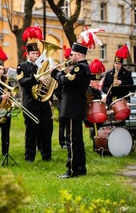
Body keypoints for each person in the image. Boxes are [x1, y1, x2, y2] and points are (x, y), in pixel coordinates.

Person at [51, 27, 103, 178]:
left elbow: (66, 81)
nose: (70, 56)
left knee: (72, 141)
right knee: (76, 140)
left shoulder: (81, 68)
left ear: (79, 54)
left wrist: (55, 72)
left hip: (73, 109)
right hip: (73, 108)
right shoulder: (80, 67)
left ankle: (72, 170)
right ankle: (80, 168)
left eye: (73, 54)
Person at [17, 26, 53, 162]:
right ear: (28, 54)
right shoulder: (22, 66)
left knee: (46, 129)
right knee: (31, 131)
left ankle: (46, 155)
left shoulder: (43, 65)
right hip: (30, 103)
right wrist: (36, 79)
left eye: (37, 53)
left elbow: (50, 81)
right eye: (33, 54)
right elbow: (22, 82)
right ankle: (29, 156)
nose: (35, 55)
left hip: (43, 103)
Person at [85, 59, 106, 150]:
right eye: (96, 82)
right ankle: (97, 145)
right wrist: (101, 101)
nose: (98, 84)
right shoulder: (88, 90)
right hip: (90, 114)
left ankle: (100, 143)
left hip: (98, 112)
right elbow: (90, 101)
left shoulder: (98, 91)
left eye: (98, 82)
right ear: (91, 82)